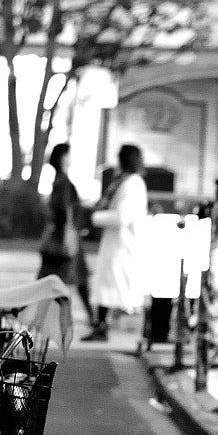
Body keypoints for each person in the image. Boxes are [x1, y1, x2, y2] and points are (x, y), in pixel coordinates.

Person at [91, 144, 165, 347]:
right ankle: (102, 324)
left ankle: (104, 325)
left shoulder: (131, 183)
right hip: (120, 243)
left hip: (123, 243)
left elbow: (122, 216)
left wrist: (96, 217)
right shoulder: (128, 181)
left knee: (116, 287)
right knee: (111, 287)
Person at [37, 142, 95, 330]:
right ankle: (85, 319)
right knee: (65, 280)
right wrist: (73, 224)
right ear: (63, 157)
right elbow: (62, 210)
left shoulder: (59, 180)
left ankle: (90, 319)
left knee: (67, 280)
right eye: (69, 154)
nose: (71, 158)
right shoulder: (63, 182)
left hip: (63, 238)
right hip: (65, 240)